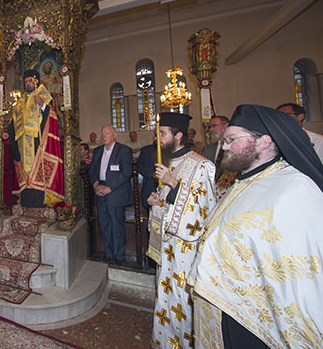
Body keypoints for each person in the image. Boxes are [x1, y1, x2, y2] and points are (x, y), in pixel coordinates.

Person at [191, 104, 323, 349]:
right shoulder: (243, 180)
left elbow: (304, 272)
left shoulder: (295, 188)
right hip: (228, 306)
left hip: (261, 319)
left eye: (232, 139)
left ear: (263, 142)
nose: (224, 146)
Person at [145, 112, 216, 349]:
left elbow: (204, 209)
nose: (159, 138)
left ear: (179, 136)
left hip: (186, 250)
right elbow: (170, 203)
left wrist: (173, 184)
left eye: (163, 133)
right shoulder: (169, 163)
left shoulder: (201, 165)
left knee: (181, 300)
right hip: (166, 248)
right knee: (164, 297)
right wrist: (157, 201)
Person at [3, 69, 64, 207]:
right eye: (26, 82)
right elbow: (14, 121)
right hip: (22, 144)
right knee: (25, 171)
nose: (28, 84)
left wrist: (42, 104)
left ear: (36, 81)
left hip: (39, 141)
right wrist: (8, 132)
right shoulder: (20, 101)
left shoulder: (43, 95)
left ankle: (41, 202)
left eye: (30, 81)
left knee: (37, 170)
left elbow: (52, 115)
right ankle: (26, 202)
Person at [89, 125, 133, 265]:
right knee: (104, 225)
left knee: (116, 225)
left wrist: (110, 188)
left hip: (116, 193)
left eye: (107, 133)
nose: (104, 136)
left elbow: (126, 173)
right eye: (102, 133)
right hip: (100, 191)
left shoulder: (124, 150)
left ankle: (119, 256)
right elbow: (92, 171)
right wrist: (95, 185)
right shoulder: (97, 151)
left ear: (114, 135)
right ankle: (108, 253)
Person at [202, 115, 230, 181]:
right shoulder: (208, 149)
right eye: (209, 127)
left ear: (226, 126)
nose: (211, 129)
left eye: (214, 126)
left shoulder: (235, 146)